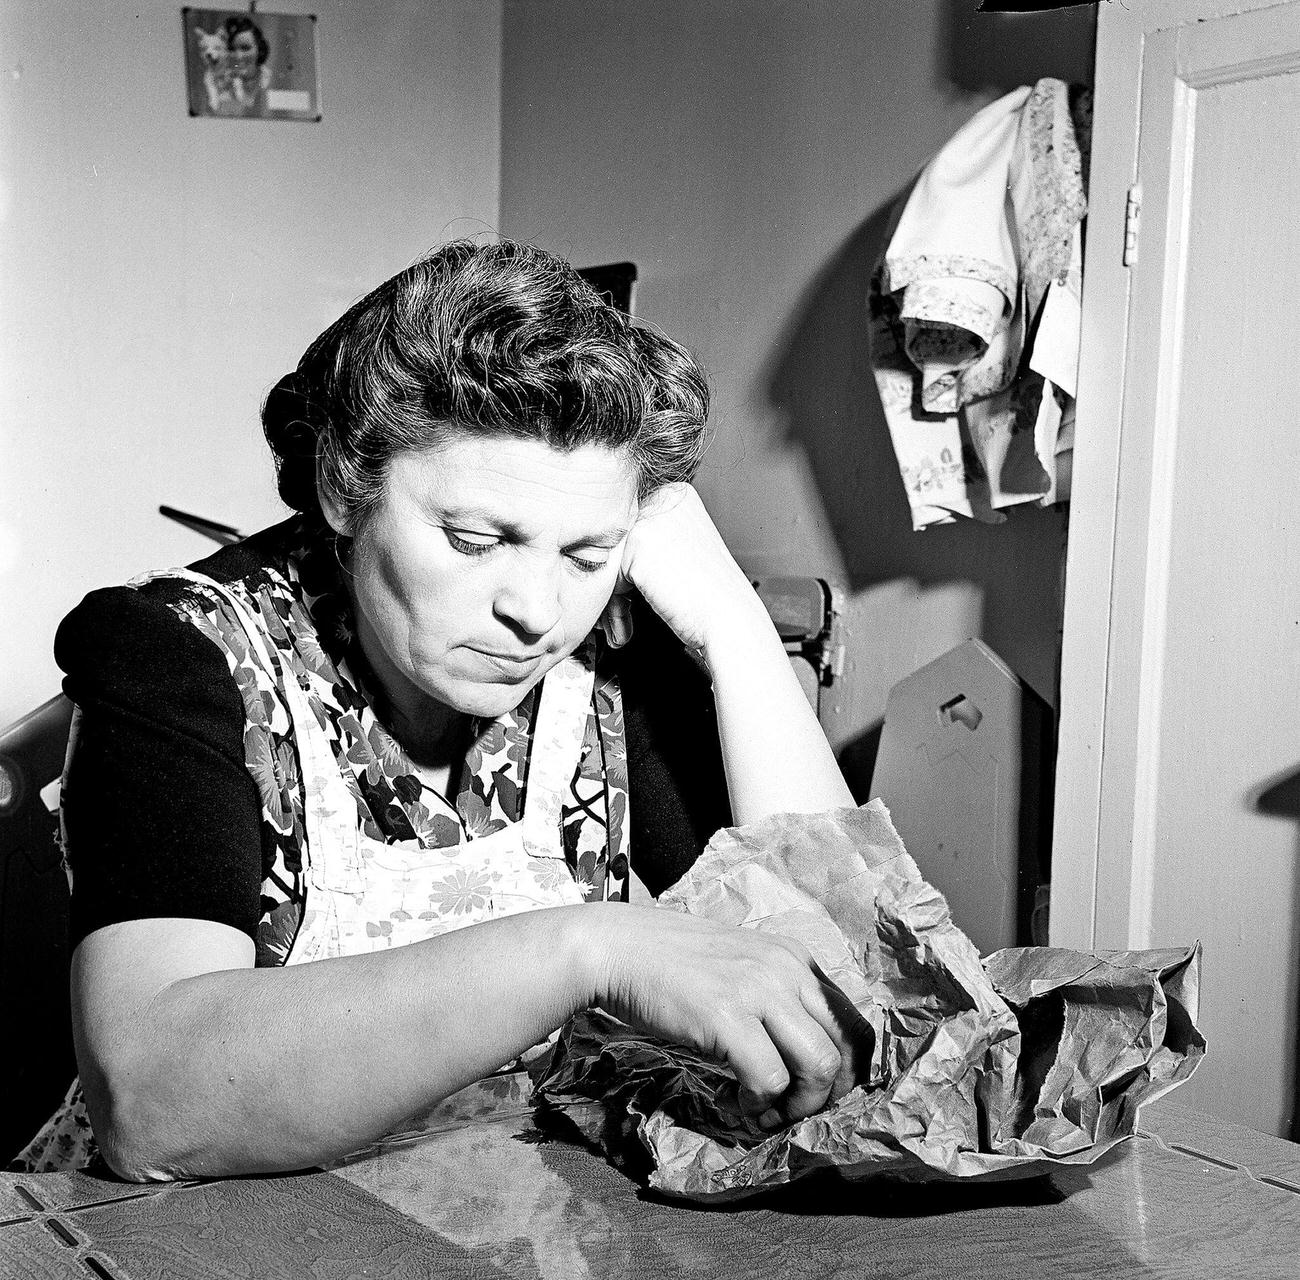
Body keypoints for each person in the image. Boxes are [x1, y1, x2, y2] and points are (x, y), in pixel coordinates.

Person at [17, 239, 861, 1181]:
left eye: (586, 554)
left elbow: (859, 994)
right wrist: (588, 950)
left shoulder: (614, 652)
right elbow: (154, 1106)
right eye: (473, 539)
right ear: (345, 486)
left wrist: (732, 627)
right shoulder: (176, 654)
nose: (535, 612)